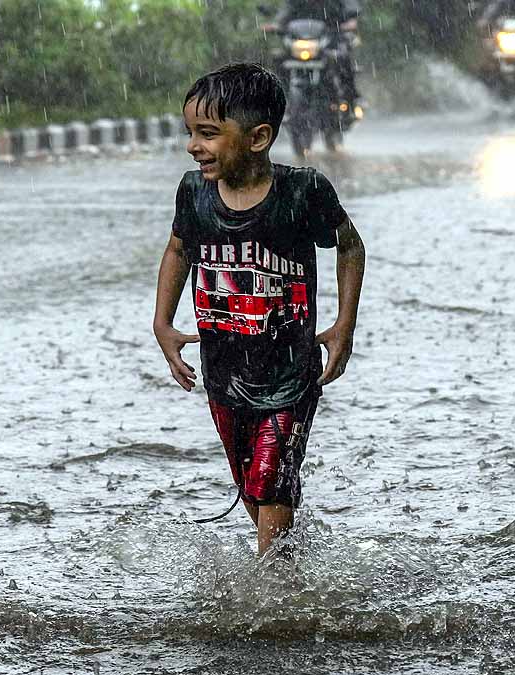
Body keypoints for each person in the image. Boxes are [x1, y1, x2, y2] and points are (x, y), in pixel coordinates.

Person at [153, 63, 366, 556]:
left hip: (289, 372)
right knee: (252, 485)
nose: (193, 146)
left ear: (258, 137)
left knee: (270, 479)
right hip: (223, 369)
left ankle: (273, 593)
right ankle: (290, 564)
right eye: (191, 133)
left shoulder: (302, 193)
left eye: (208, 134)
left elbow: (350, 247)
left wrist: (343, 325)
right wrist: (162, 323)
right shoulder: (194, 192)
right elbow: (178, 249)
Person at [270, 0, 363, 104]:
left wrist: (350, 21)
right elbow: (285, 11)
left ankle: (350, 97)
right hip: (302, 40)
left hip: (333, 36)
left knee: (341, 58)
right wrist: (277, 24)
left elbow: (350, 7)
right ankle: (278, 96)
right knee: (278, 58)